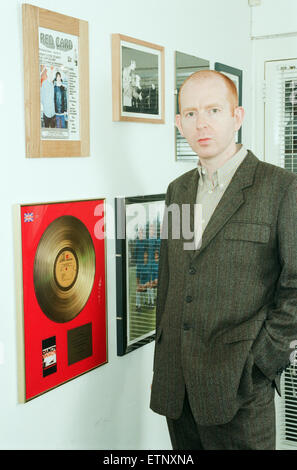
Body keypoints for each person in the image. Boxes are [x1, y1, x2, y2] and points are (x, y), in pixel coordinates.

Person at [150, 69, 297, 450]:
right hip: (177, 389)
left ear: (238, 116)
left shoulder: (280, 188)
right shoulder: (178, 190)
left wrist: (261, 362)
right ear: (180, 123)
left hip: (240, 388)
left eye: (214, 110)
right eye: (191, 113)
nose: (202, 123)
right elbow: (174, 278)